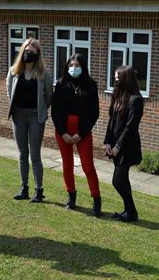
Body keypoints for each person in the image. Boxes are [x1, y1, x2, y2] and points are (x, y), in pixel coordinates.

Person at [51, 53, 101, 216]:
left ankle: (96, 200)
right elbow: (55, 111)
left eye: (77, 65)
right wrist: (63, 132)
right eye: (71, 65)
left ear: (83, 67)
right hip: (63, 131)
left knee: (88, 166)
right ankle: (71, 197)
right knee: (67, 166)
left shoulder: (91, 85)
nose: (74, 68)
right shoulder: (60, 84)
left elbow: (94, 112)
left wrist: (81, 133)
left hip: (83, 132)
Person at [6, 38, 53, 203]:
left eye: (32, 52)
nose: (29, 54)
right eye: (26, 51)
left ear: (37, 54)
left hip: (35, 117)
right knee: (22, 154)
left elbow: (48, 97)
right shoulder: (13, 71)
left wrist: (39, 111)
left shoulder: (43, 74)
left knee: (35, 155)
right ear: (22, 51)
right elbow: (9, 93)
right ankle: (23, 188)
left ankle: (39, 190)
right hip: (18, 116)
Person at [104, 65, 144, 222]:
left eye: (118, 78)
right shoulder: (119, 96)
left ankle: (131, 211)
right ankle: (128, 211)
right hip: (115, 146)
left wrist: (118, 146)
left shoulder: (136, 100)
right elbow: (112, 121)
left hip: (127, 147)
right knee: (123, 180)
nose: (116, 81)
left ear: (126, 79)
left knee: (118, 181)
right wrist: (108, 141)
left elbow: (131, 126)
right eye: (115, 78)